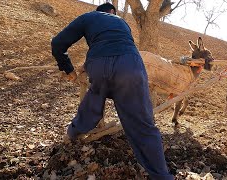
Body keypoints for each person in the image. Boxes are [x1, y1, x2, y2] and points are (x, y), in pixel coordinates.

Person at [51, 3, 174, 180]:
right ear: (112, 12)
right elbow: (117, 49)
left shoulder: (88, 17)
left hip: (98, 64)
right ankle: (162, 176)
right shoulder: (122, 23)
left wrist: (68, 68)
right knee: (142, 124)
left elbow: (57, 43)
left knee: (94, 97)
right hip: (130, 66)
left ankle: (72, 133)